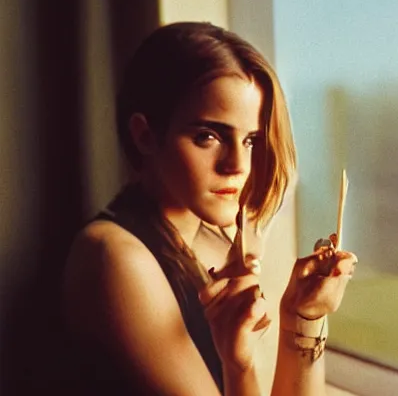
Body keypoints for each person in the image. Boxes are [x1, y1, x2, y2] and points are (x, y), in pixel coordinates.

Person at [62, 22, 358, 396]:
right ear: (145, 136)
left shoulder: (215, 243)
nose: (238, 164)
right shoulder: (115, 258)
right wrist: (239, 365)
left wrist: (302, 317)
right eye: (209, 136)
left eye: (250, 140)